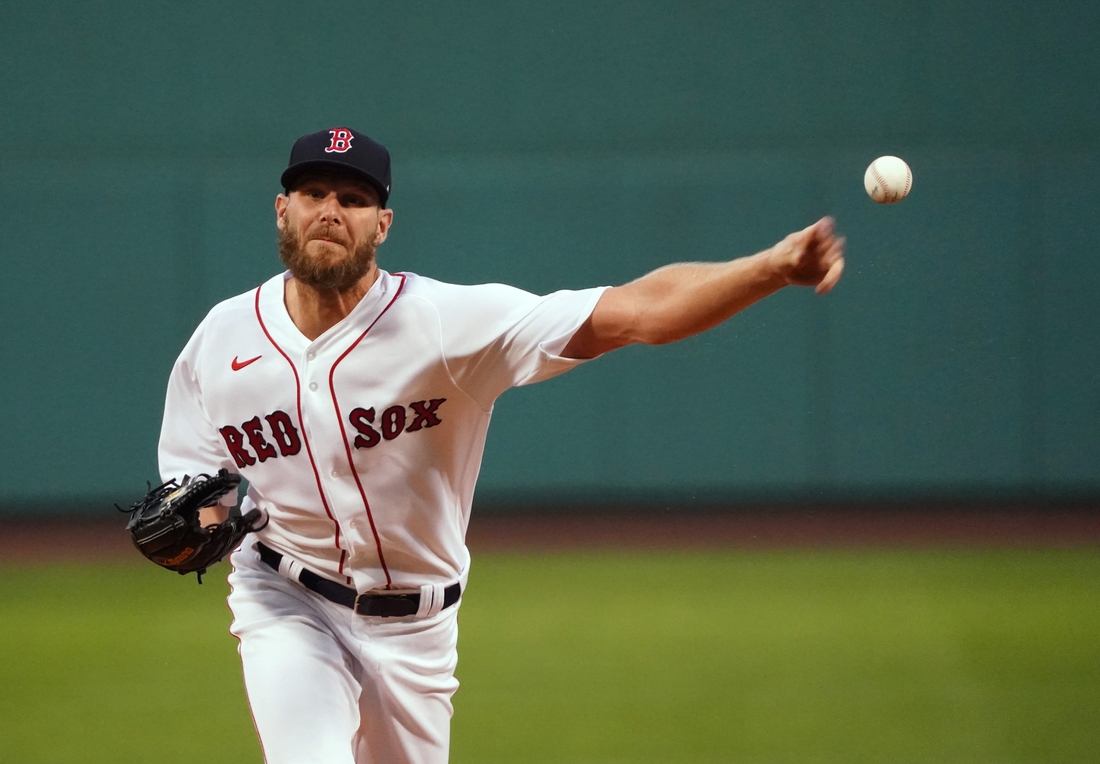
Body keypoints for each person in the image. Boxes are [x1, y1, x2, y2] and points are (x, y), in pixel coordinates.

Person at [158, 127, 844, 764]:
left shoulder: (444, 324)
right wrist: (205, 519)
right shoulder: (221, 340)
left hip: (417, 627)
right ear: (283, 210)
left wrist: (774, 267)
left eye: (354, 198)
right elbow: (191, 477)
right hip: (286, 602)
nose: (330, 210)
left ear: (382, 224)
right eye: (313, 193)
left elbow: (634, 314)